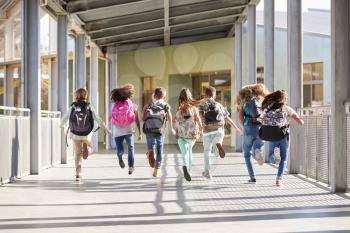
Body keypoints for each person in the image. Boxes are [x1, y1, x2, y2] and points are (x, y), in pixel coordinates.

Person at [60, 88, 111, 182]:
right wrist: (106, 128)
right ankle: (87, 149)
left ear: (76, 96)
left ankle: (78, 174)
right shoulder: (89, 106)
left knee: (77, 154)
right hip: (86, 133)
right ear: (86, 95)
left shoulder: (73, 106)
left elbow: (65, 117)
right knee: (91, 148)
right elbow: (97, 118)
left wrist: (63, 127)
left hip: (75, 133)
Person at [260, 90, 304, 186]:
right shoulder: (286, 109)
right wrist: (300, 121)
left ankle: (274, 158)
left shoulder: (268, 108)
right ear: (284, 99)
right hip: (283, 134)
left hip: (271, 135)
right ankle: (279, 179)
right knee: (283, 158)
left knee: (271, 155)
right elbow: (299, 121)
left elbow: (261, 119)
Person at [199, 86, 242, 179]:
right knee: (216, 148)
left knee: (207, 151)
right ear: (214, 95)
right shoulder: (218, 105)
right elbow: (227, 118)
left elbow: (199, 118)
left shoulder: (202, 105)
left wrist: (199, 129)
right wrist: (236, 128)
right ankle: (218, 148)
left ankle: (207, 172)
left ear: (205, 95)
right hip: (218, 130)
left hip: (207, 131)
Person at [237, 83, 268, 183]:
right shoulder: (261, 100)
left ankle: (252, 176)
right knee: (258, 147)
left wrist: (243, 127)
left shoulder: (244, 102)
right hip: (260, 127)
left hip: (248, 127)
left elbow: (240, 118)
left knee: (247, 154)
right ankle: (258, 153)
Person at [142, 87, 176, 177]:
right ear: (164, 96)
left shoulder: (148, 105)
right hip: (160, 131)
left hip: (149, 130)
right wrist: (171, 128)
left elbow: (143, 118)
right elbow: (169, 116)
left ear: (155, 95)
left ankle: (150, 154)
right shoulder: (165, 105)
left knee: (151, 149)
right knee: (159, 149)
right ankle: (157, 169)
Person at [110, 84, 141, 175]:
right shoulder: (133, 105)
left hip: (117, 131)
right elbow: (136, 119)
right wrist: (139, 132)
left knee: (120, 149)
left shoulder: (114, 106)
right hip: (128, 130)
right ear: (129, 95)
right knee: (131, 148)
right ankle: (131, 166)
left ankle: (120, 157)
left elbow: (111, 117)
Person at [174, 88, 203, 182]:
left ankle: (185, 166)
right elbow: (198, 119)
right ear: (190, 96)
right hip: (191, 135)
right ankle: (188, 170)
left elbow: (176, 121)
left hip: (181, 135)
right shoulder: (193, 108)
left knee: (184, 154)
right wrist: (201, 129)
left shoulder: (179, 109)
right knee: (189, 151)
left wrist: (176, 131)